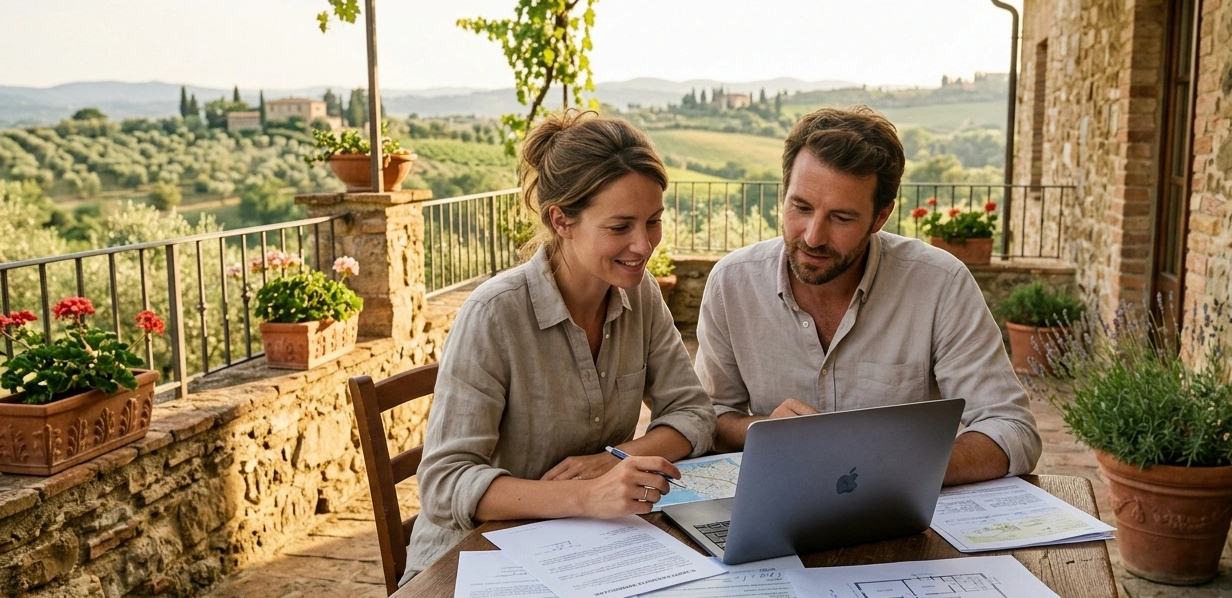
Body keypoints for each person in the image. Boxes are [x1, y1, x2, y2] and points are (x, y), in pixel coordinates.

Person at [406, 111, 716, 582]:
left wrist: (615, 460)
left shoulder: (641, 292)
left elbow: (694, 413)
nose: (644, 244)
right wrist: (588, 496)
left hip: (585, 550)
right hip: (471, 562)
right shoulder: (495, 315)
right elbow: (444, 484)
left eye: (653, 222)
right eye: (620, 227)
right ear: (561, 220)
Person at [694, 106, 1040, 486]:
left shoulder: (940, 284)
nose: (812, 236)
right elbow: (709, 416)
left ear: (881, 217)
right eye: (800, 207)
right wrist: (762, 430)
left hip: (899, 512)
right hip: (778, 502)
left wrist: (896, 470)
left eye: (841, 218)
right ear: (784, 194)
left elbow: (1012, 428)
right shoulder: (732, 282)